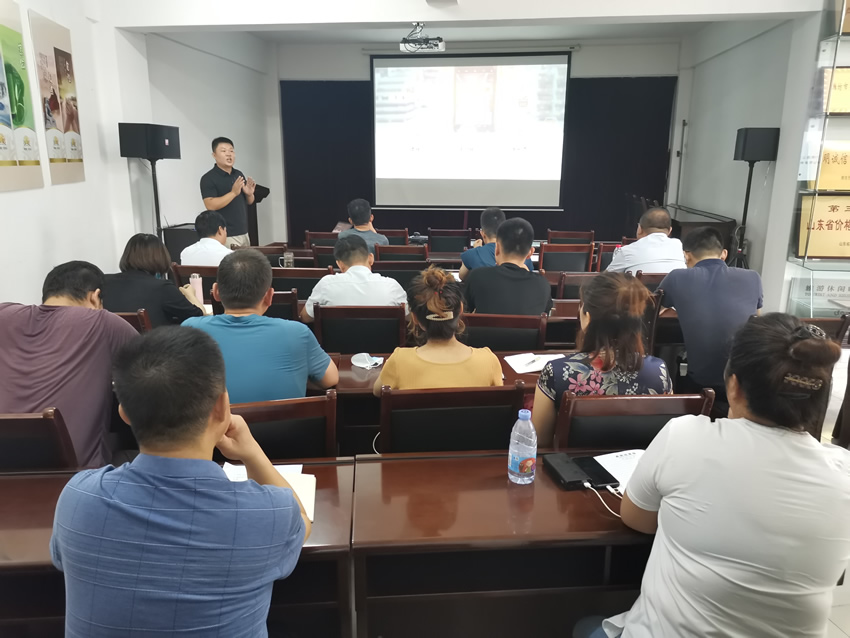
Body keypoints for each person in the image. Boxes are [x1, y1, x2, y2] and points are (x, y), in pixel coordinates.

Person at [575, 314, 850, 638]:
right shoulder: (843, 474)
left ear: (733, 385)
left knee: (585, 627)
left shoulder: (686, 437)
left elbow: (637, 519)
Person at [50, 326, 311, 636]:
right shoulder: (268, 513)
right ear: (221, 407)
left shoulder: (77, 499)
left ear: (124, 413)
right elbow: (301, 520)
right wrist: (252, 453)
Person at [0, 261, 138, 467]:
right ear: (95, 297)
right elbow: (158, 369)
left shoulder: (4, 314)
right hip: (77, 475)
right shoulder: (102, 322)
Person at [532, 272, 672, 446]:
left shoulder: (557, 372)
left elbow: (540, 443)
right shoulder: (659, 371)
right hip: (638, 463)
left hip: (572, 463)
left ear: (588, 318)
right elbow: (664, 438)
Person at [184, 249, 338, 403]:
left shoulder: (189, 331)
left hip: (216, 420)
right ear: (269, 296)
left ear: (216, 292)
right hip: (282, 420)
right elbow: (330, 379)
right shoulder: (297, 333)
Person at [658, 226, 763, 410]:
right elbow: (757, 322)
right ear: (724, 254)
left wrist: (686, 309)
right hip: (747, 385)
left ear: (686, 256)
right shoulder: (753, 277)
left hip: (702, 384)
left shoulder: (677, 277)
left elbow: (653, 312)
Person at [373, 267, 503, 396]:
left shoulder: (398, 361)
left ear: (415, 318)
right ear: (461, 310)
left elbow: (377, 392)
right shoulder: (489, 361)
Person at [103, 234, 205, 327]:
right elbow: (198, 318)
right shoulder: (163, 288)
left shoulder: (104, 282)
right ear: (161, 257)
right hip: (153, 341)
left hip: (111, 341)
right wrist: (190, 295)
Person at [300, 234, 407, 323]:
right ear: (371, 258)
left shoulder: (326, 284)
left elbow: (305, 317)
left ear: (340, 264)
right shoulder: (391, 286)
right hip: (384, 343)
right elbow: (411, 317)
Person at [463, 217, 552, 315]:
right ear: (530, 252)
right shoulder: (542, 284)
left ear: (497, 248)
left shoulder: (476, 276)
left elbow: (464, 312)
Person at [200, 137, 255, 248]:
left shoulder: (238, 174)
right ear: (214, 155)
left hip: (244, 232)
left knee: (247, 259)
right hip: (225, 235)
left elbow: (249, 202)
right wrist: (233, 193)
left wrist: (249, 194)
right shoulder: (208, 178)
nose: (229, 154)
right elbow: (210, 205)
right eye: (223, 151)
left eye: (231, 151)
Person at [459, 207, 534, 280]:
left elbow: (462, 277)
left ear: (482, 234)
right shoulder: (522, 255)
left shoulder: (471, 254)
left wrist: (476, 250)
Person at [606, 207, 686, 274]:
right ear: (670, 230)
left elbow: (606, 278)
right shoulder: (678, 246)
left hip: (638, 289)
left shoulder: (627, 251)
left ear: (639, 229)